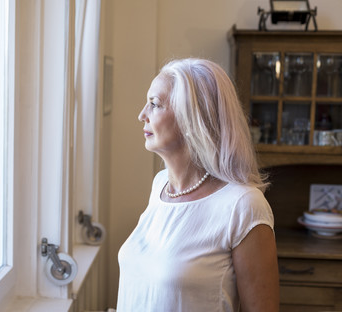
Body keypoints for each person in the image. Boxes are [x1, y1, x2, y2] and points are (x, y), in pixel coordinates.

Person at [117, 58, 279, 311]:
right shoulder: (160, 187)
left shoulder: (243, 205)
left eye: (155, 104)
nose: (142, 115)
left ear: (193, 116)